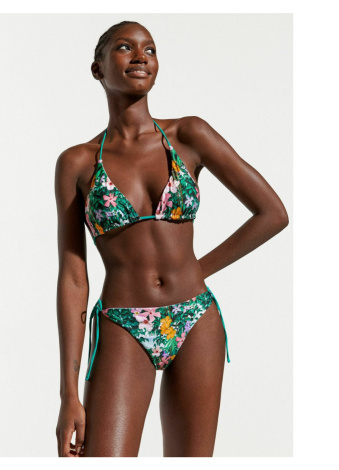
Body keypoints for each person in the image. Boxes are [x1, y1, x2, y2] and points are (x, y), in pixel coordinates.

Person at [54, 20, 289, 458]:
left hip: (196, 318)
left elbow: (272, 214)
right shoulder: (78, 162)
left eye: (150, 49)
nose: (140, 56)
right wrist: (69, 392)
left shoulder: (189, 135)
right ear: (97, 69)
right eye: (125, 47)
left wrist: (196, 271)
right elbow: (72, 276)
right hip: (123, 324)